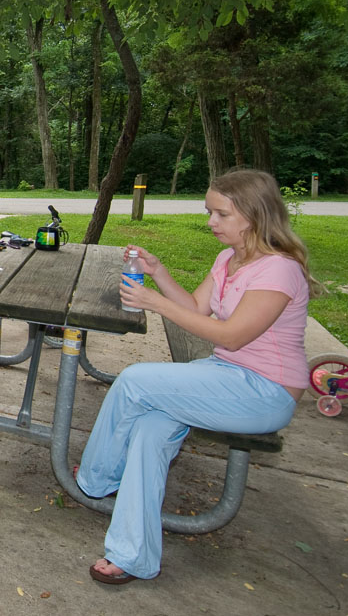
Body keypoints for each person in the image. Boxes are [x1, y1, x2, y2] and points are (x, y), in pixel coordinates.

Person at [77, 169, 320, 585]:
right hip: (225, 374)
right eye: (210, 211)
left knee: (134, 381)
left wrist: (154, 303)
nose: (211, 221)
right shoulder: (229, 258)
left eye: (220, 214)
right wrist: (158, 272)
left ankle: (94, 480)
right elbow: (197, 307)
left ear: (252, 215)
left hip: (264, 391)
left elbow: (233, 335)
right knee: (152, 429)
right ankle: (133, 556)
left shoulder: (278, 271)